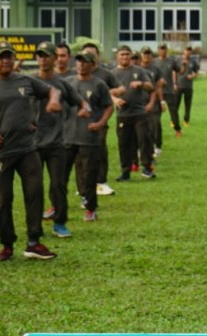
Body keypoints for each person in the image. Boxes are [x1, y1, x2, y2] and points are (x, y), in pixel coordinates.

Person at [0, 40, 62, 261]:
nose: (6, 60)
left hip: (28, 150)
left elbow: (53, 90)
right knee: (2, 199)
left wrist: (52, 102)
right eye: (1, 56)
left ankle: (34, 242)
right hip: (0, 154)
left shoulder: (26, 80)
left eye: (9, 56)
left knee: (35, 194)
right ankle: (7, 243)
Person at [32, 41, 83, 238]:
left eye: (47, 55)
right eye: (40, 55)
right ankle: (35, 225)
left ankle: (60, 222)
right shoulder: (27, 81)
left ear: (54, 58)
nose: (43, 59)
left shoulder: (62, 84)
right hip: (33, 144)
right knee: (34, 187)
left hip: (56, 143)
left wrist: (85, 109)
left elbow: (79, 101)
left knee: (58, 184)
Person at [63, 52, 114, 223]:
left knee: (89, 174)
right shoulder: (68, 83)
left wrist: (100, 123)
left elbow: (109, 106)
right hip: (68, 135)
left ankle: (91, 208)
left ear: (93, 64)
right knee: (60, 175)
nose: (81, 65)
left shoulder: (99, 84)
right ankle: (57, 206)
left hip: (89, 136)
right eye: (78, 61)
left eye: (85, 62)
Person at [81, 42, 120, 197]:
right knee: (80, 155)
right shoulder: (76, 76)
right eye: (85, 54)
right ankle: (84, 185)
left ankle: (101, 182)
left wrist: (109, 92)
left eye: (92, 54)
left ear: (97, 56)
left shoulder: (105, 75)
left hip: (99, 119)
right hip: (79, 122)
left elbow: (120, 88)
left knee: (99, 150)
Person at [112, 45, 155, 181]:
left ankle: (147, 168)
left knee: (144, 140)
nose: (125, 57)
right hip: (123, 114)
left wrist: (141, 84)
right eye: (122, 54)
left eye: (127, 54)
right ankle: (126, 171)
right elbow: (105, 92)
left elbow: (151, 86)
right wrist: (115, 99)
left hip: (139, 112)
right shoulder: (112, 74)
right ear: (117, 56)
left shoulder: (139, 71)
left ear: (131, 56)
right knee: (124, 144)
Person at [153, 43, 182, 142]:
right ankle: (156, 133)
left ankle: (177, 129)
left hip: (169, 90)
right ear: (158, 50)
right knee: (157, 114)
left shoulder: (171, 61)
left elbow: (180, 71)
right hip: (157, 92)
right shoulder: (154, 62)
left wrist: (184, 65)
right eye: (161, 49)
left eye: (164, 49)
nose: (163, 51)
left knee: (173, 111)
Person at [177, 46, 199, 126]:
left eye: (190, 51)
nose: (188, 52)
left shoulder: (193, 61)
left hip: (188, 86)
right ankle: (174, 120)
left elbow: (196, 73)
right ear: (184, 51)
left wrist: (192, 76)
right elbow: (174, 71)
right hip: (178, 85)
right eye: (187, 50)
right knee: (176, 104)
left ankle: (186, 121)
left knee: (187, 105)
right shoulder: (178, 60)